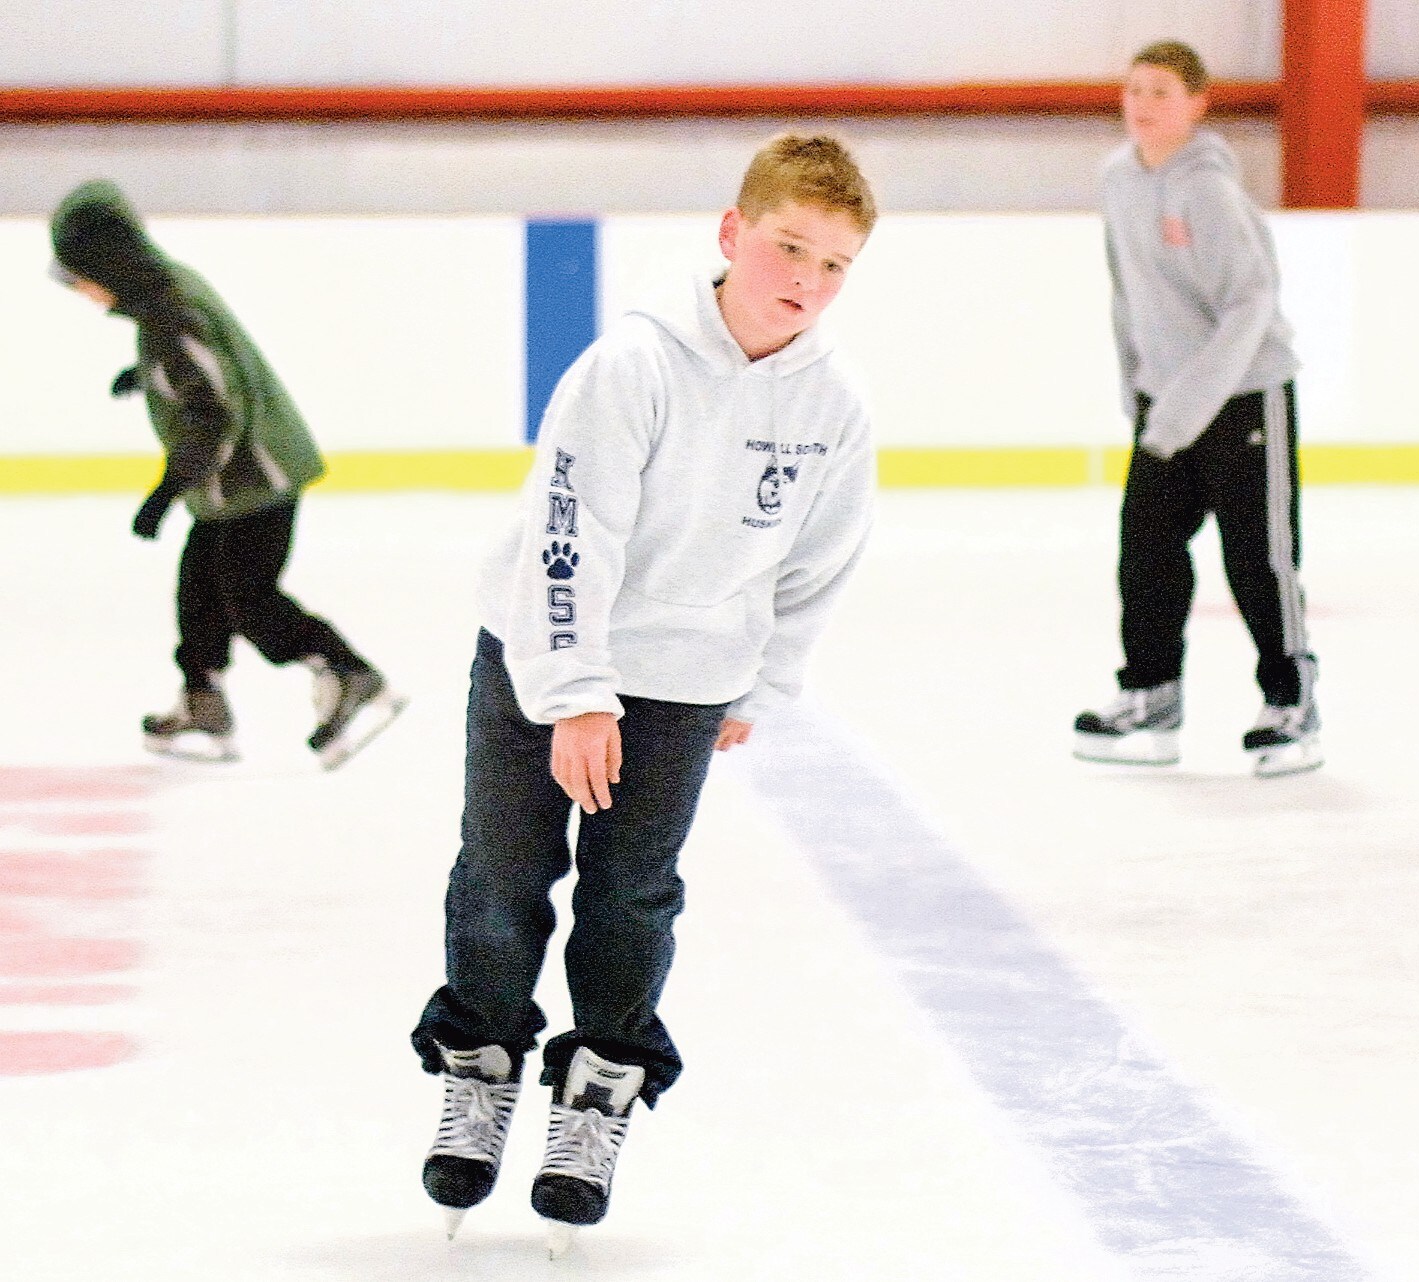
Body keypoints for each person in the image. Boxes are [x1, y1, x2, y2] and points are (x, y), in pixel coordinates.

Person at [410, 133, 878, 1245]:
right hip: (540, 656)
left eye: (833, 263)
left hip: (685, 685)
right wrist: (575, 691)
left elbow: (820, 561)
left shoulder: (834, 408)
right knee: (502, 874)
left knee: (630, 896)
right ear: (731, 234)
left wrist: (757, 685)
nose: (804, 279)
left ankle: (600, 1088)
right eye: (787, 246)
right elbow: (571, 536)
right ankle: (479, 1062)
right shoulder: (632, 366)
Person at [49, 180, 405, 769]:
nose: (80, 290)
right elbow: (206, 367)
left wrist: (166, 490)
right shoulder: (161, 298)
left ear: (104, 264)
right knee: (200, 589)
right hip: (232, 484)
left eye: (79, 275)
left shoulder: (168, 313)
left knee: (250, 600)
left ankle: (348, 674)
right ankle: (202, 701)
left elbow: (215, 408)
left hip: (253, 478)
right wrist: (145, 376)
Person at [1072, 41, 1321, 778]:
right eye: (1134, 90)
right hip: (1166, 404)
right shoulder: (1117, 179)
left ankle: (1291, 704)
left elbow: (1250, 304)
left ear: (1196, 104)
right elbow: (1126, 294)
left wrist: (1183, 408)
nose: (1143, 105)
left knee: (1259, 562)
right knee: (1145, 554)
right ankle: (1150, 693)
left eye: (1161, 92)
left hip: (1245, 398)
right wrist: (1139, 389)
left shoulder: (1206, 190)